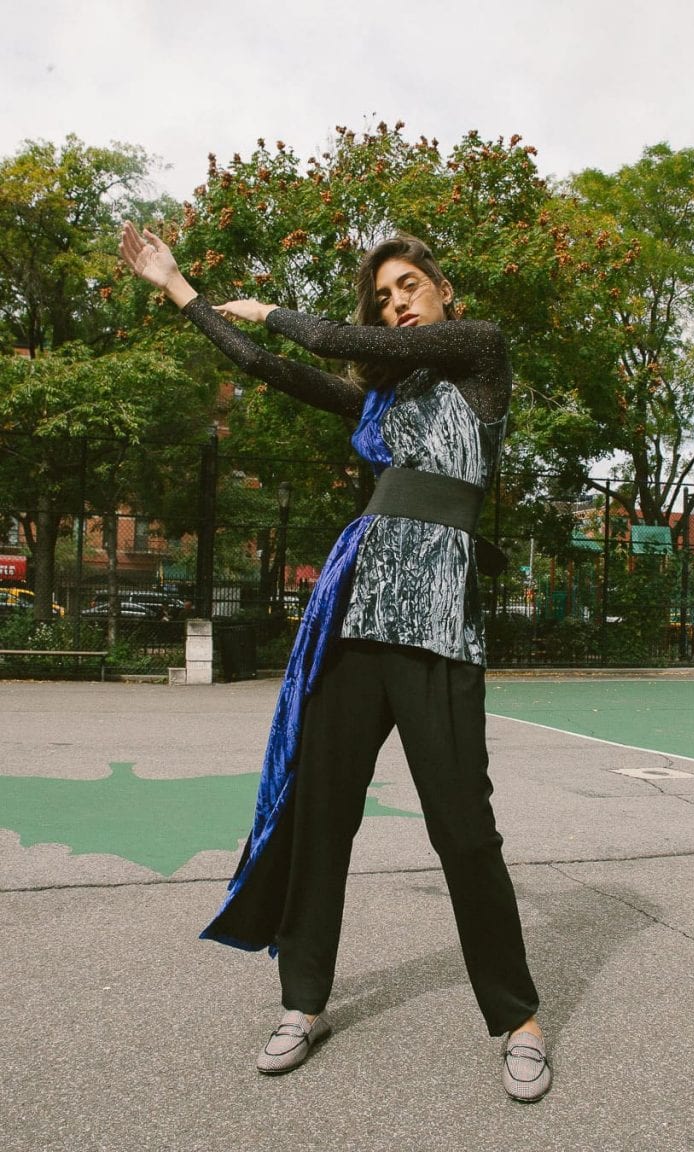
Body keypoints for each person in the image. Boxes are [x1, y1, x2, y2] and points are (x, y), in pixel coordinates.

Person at [119, 221, 551, 1102]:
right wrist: (179, 288)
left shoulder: (481, 357)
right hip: (354, 622)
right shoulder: (380, 404)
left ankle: (519, 1019)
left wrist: (276, 309)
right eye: (382, 298)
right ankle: (302, 1001)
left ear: (443, 293)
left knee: (463, 828)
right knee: (321, 818)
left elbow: (328, 340)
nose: (395, 305)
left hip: (438, 626)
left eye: (408, 287)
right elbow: (269, 367)